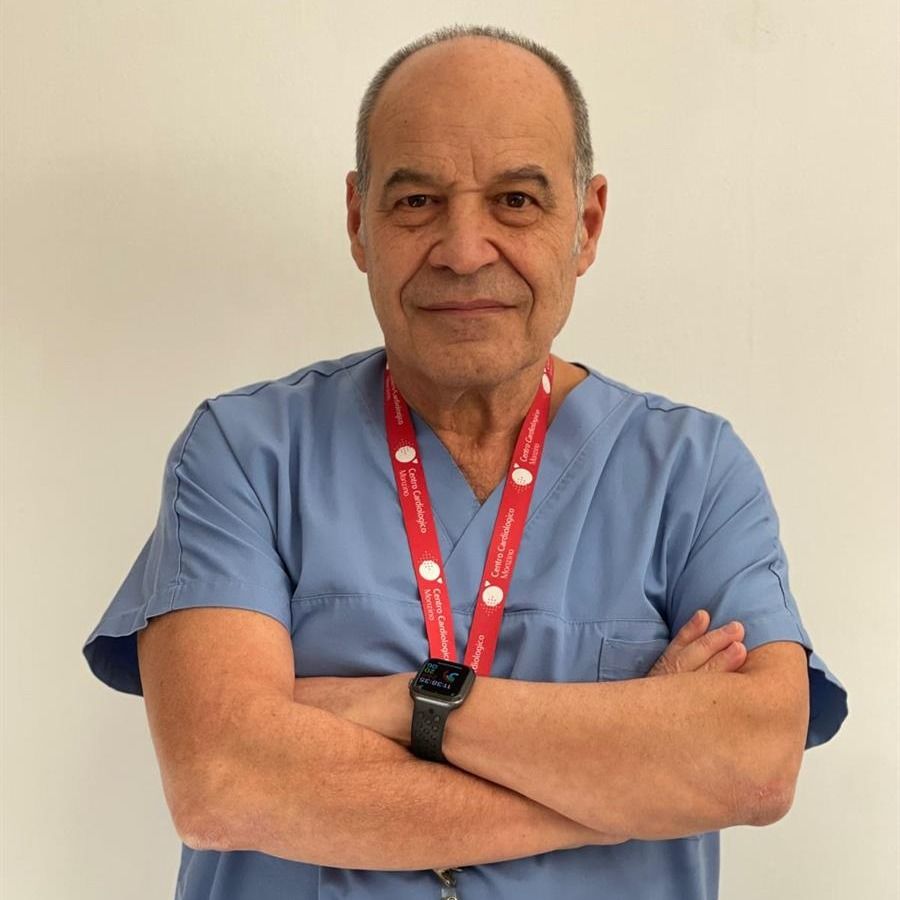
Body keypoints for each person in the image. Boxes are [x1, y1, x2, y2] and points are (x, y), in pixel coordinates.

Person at [82, 23, 848, 900]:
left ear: (587, 224)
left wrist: (403, 704)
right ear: (358, 222)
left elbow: (754, 763)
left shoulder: (692, 472)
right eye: (417, 202)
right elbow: (224, 783)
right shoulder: (244, 455)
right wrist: (629, 788)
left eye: (516, 201)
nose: (464, 248)